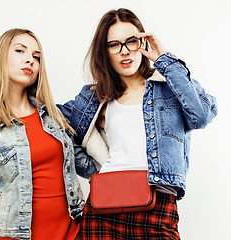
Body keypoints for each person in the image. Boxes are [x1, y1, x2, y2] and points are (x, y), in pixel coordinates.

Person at [57, 8, 218, 239]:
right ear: (104, 51)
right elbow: (55, 122)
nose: (124, 52)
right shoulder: (95, 97)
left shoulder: (169, 87)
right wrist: (94, 169)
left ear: (143, 43)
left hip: (157, 205)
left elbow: (201, 115)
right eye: (114, 45)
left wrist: (164, 59)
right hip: (104, 207)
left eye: (131, 42)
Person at [0, 28, 97, 240]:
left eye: (36, 56)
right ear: (0, 58)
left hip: (72, 234)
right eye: (20, 51)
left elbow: (90, 167)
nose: (30, 60)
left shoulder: (55, 119)